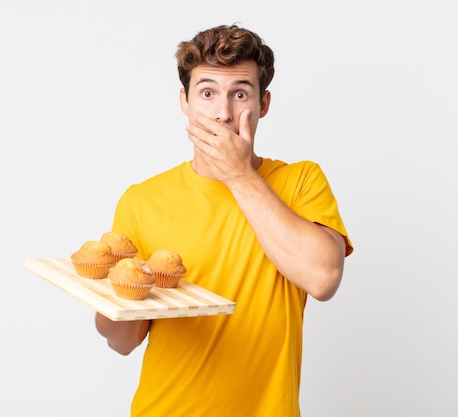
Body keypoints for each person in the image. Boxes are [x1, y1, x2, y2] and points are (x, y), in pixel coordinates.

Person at [95, 24, 353, 416]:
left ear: (263, 104)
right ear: (184, 101)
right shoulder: (141, 200)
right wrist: (112, 296)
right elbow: (123, 341)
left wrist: (238, 175)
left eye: (240, 94)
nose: (223, 113)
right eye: (207, 93)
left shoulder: (300, 181)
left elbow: (323, 278)